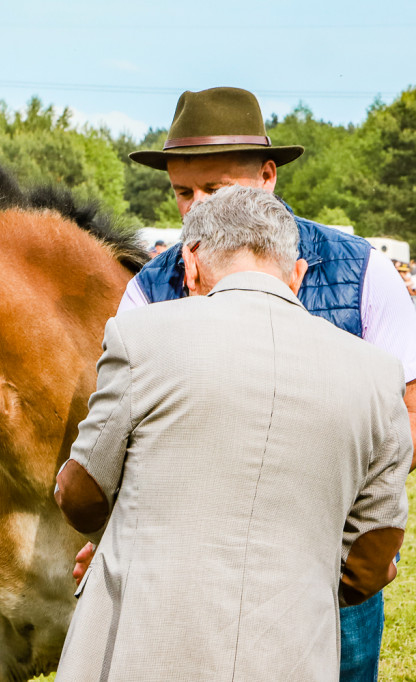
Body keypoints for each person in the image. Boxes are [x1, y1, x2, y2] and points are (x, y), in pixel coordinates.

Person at [106, 86, 416, 680]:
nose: (197, 208)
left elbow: (406, 411)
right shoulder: (147, 288)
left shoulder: (362, 272)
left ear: (268, 175)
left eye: (217, 189)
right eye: (182, 192)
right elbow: (122, 433)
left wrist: (364, 534)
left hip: (328, 566)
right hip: (183, 571)